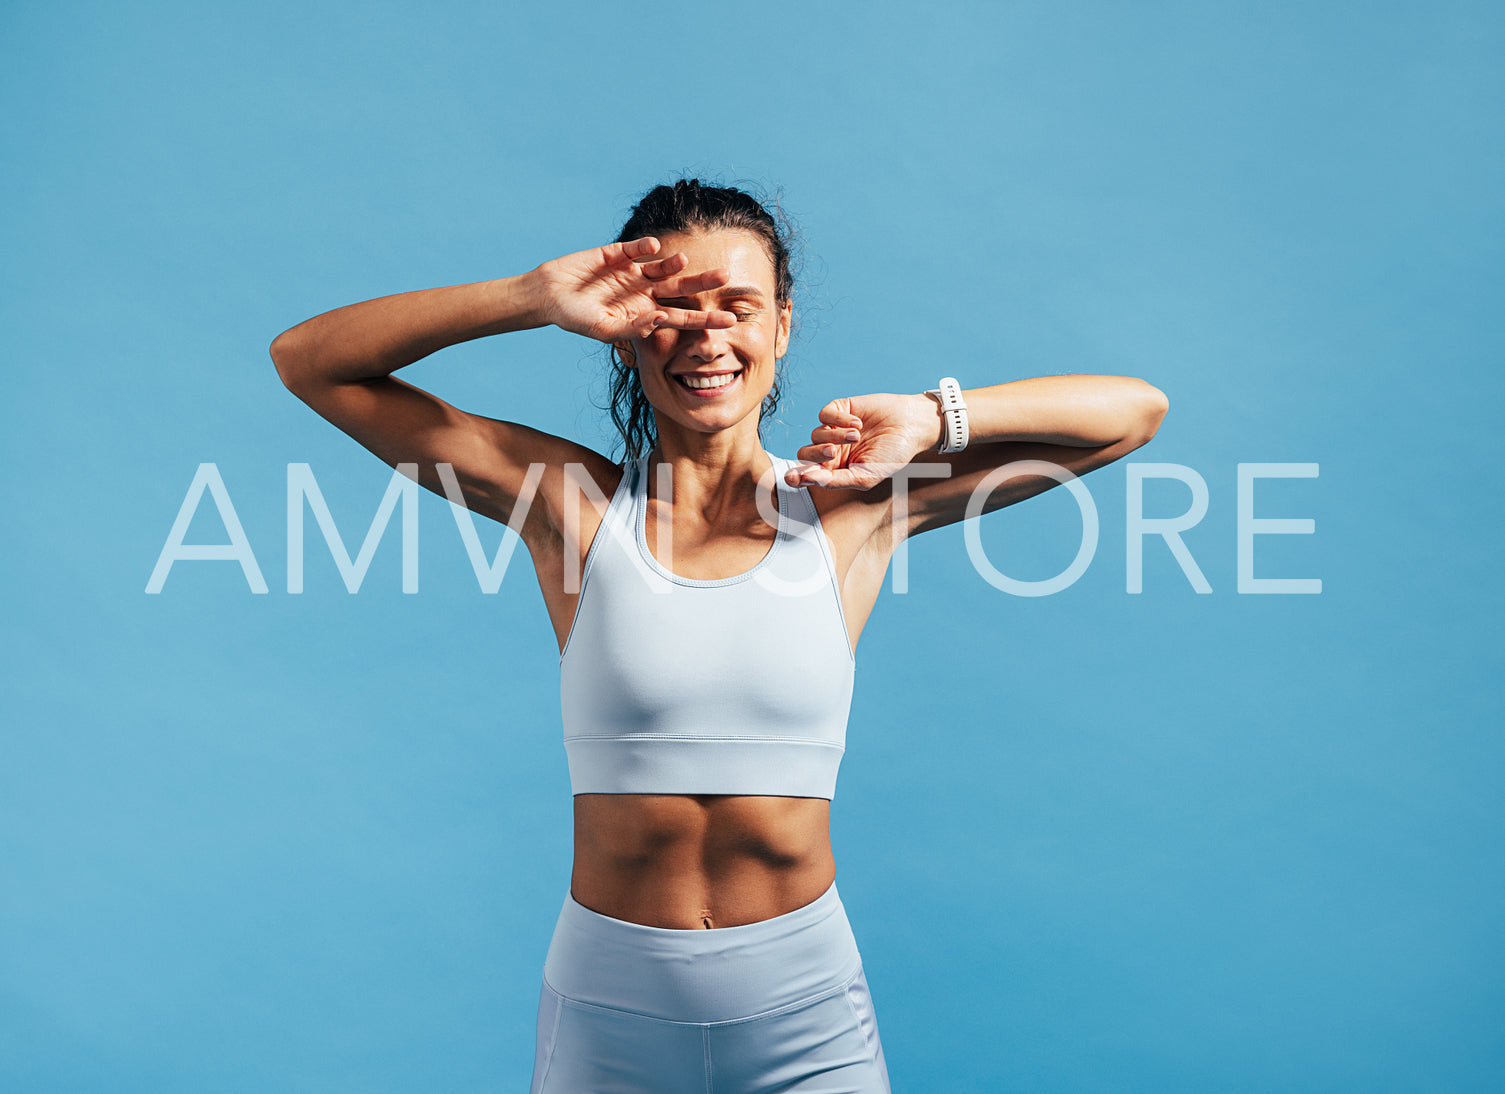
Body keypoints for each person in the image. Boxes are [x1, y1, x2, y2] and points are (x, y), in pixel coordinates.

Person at [270, 178, 1168, 1093]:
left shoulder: (855, 508)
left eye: (737, 307)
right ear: (626, 330)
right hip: (606, 1010)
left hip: (805, 1012)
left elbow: (1132, 412)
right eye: (673, 309)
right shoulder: (570, 506)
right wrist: (529, 298)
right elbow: (310, 361)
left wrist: (938, 417)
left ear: (781, 328)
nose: (708, 338)